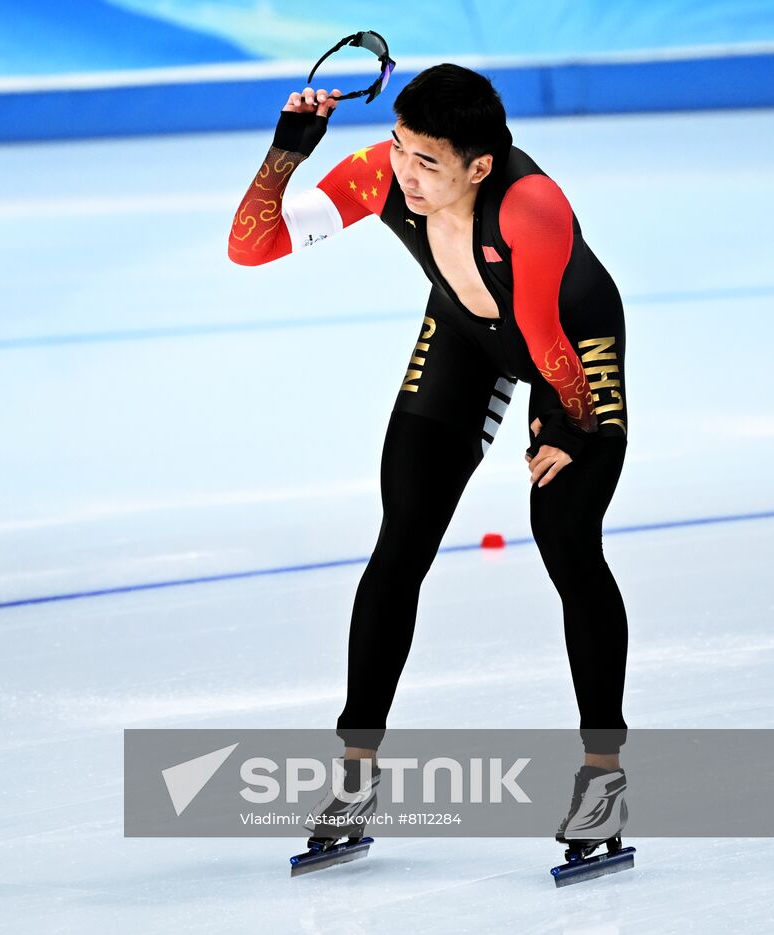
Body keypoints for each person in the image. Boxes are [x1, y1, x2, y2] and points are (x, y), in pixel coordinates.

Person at [227, 65, 631, 783]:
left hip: (571, 343)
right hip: (465, 333)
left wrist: (574, 425)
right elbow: (252, 245)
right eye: (399, 147)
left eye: (428, 162)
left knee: (566, 537)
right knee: (404, 533)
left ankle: (603, 773)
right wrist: (288, 150)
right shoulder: (381, 172)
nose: (404, 174)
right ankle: (357, 769)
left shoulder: (529, 205)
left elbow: (543, 339)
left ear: (479, 166)